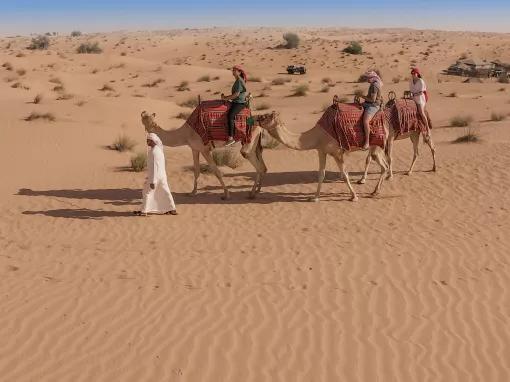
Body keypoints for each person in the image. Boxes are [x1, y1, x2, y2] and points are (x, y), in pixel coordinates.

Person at [134, 133, 177, 216]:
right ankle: (172, 209)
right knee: (165, 191)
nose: (147, 141)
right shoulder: (158, 150)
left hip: (155, 177)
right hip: (162, 176)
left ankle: (144, 211)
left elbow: (155, 167)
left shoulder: (154, 152)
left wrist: (153, 181)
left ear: (153, 141)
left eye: (148, 140)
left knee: (147, 192)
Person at [221, 65, 248, 147]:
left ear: (239, 72)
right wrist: (226, 97)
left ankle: (231, 138)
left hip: (239, 103)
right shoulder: (238, 80)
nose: (233, 71)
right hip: (235, 102)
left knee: (230, 116)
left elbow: (236, 94)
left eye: (235, 70)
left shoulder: (239, 81)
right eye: (233, 70)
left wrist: (226, 98)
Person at [359, 70, 383, 150]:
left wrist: (362, 96)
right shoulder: (373, 84)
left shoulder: (374, 85)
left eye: (368, 78)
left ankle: (367, 142)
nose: (367, 79)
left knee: (366, 121)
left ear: (372, 78)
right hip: (369, 103)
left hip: (373, 105)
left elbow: (372, 100)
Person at [409, 67, 431, 138]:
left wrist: (413, 95)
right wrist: (410, 95)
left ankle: (427, 129)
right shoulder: (411, 81)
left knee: (421, 112)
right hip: (413, 97)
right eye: (412, 73)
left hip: (420, 98)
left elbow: (421, 92)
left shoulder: (421, 81)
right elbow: (411, 90)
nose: (413, 75)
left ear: (417, 74)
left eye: (414, 73)